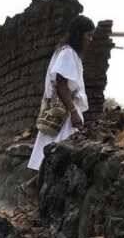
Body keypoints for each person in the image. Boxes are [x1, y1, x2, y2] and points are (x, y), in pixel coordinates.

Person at [27, 15, 95, 172]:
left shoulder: (68, 53)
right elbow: (61, 85)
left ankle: (29, 189)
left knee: (51, 157)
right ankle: (30, 189)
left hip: (63, 110)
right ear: (79, 34)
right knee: (58, 156)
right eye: (88, 35)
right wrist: (73, 112)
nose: (90, 40)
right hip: (64, 113)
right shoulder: (68, 53)